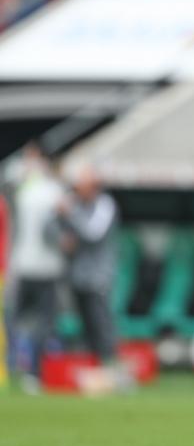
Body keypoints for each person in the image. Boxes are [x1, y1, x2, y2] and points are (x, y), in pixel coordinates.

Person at [4, 142, 66, 393]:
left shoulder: (30, 188)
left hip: (33, 266)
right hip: (34, 266)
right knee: (32, 321)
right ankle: (25, 371)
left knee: (21, 320)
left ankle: (23, 370)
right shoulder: (51, 190)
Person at [57, 165, 121, 394]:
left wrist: (70, 214)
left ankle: (114, 376)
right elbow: (57, 233)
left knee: (102, 326)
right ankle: (95, 379)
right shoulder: (75, 205)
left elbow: (93, 234)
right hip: (77, 277)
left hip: (98, 278)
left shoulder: (105, 205)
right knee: (86, 329)